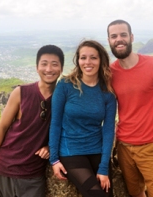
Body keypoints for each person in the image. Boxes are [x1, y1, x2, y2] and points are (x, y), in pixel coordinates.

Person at [107, 19, 153, 197]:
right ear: (109, 41)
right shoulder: (110, 72)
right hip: (123, 146)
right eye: (114, 36)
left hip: (151, 146)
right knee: (135, 193)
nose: (119, 39)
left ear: (131, 37)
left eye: (123, 35)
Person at [0, 45, 64, 197]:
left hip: (32, 173)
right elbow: (2, 127)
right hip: (5, 167)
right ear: (37, 67)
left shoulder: (63, 99)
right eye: (44, 64)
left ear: (61, 68)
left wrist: (50, 146)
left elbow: (65, 131)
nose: (49, 69)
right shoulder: (21, 92)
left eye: (54, 64)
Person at [48, 40, 116, 196]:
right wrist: (54, 159)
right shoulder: (65, 85)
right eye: (83, 57)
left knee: (107, 194)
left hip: (97, 149)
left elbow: (108, 130)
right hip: (71, 151)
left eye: (93, 57)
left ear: (101, 61)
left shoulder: (107, 93)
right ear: (78, 61)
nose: (88, 62)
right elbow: (56, 123)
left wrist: (104, 167)